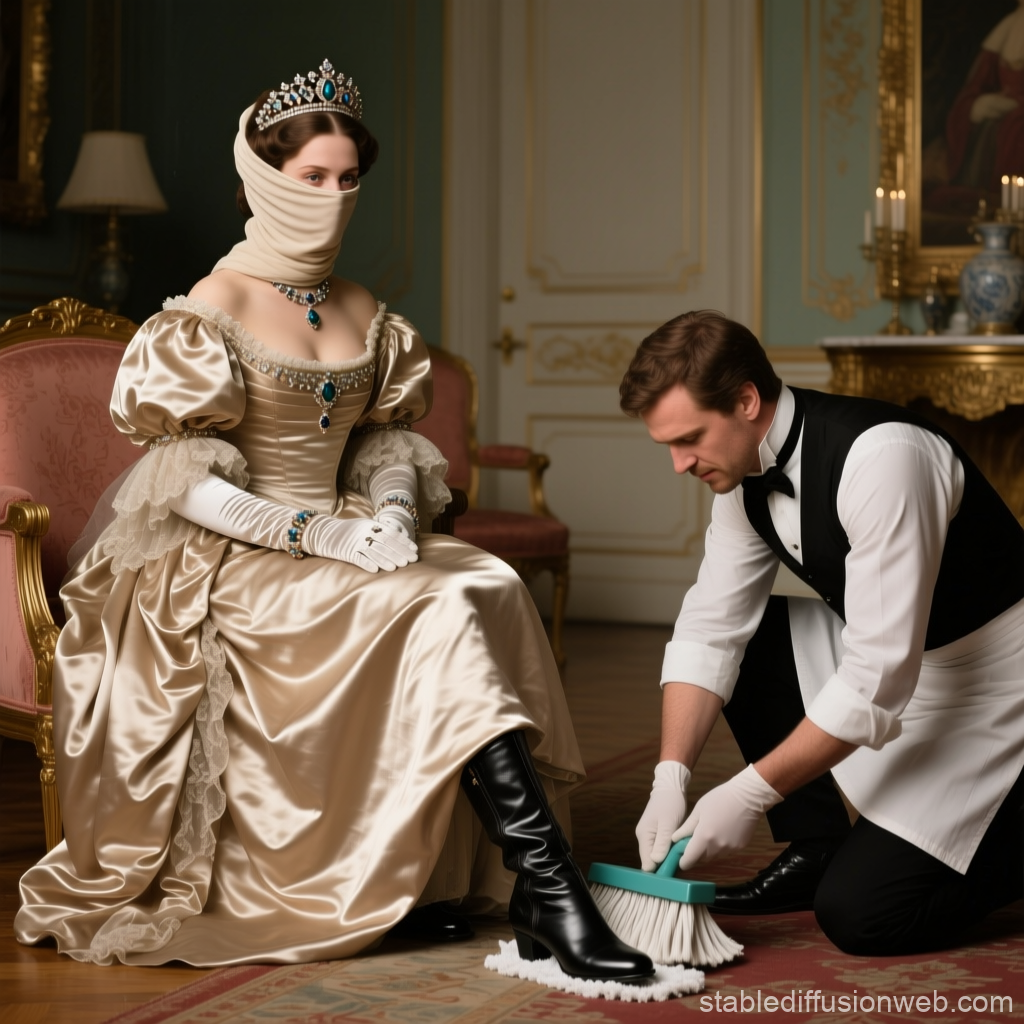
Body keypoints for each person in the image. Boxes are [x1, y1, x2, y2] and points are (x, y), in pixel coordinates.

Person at [14, 59, 652, 981]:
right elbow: (183, 476)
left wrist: (389, 512)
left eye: (349, 179)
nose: (333, 197)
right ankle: (552, 889)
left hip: (348, 527)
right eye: (311, 177)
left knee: (487, 580)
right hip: (231, 554)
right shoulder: (210, 308)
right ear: (260, 180)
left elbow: (387, 443)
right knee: (429, 610)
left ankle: (479, 880)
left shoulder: (363, 308)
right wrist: (319, 537)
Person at [623, 310, 1024, 956]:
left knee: (862, 915)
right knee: (745, 637)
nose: (678, 464)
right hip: (896, 658)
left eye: (690, 438)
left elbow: (875, 679)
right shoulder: (742, 476)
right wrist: (667, 778)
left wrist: (750, 791)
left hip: (997, 688)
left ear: (746, 401)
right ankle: (817, 844)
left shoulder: (884, 459)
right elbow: (711, 628)